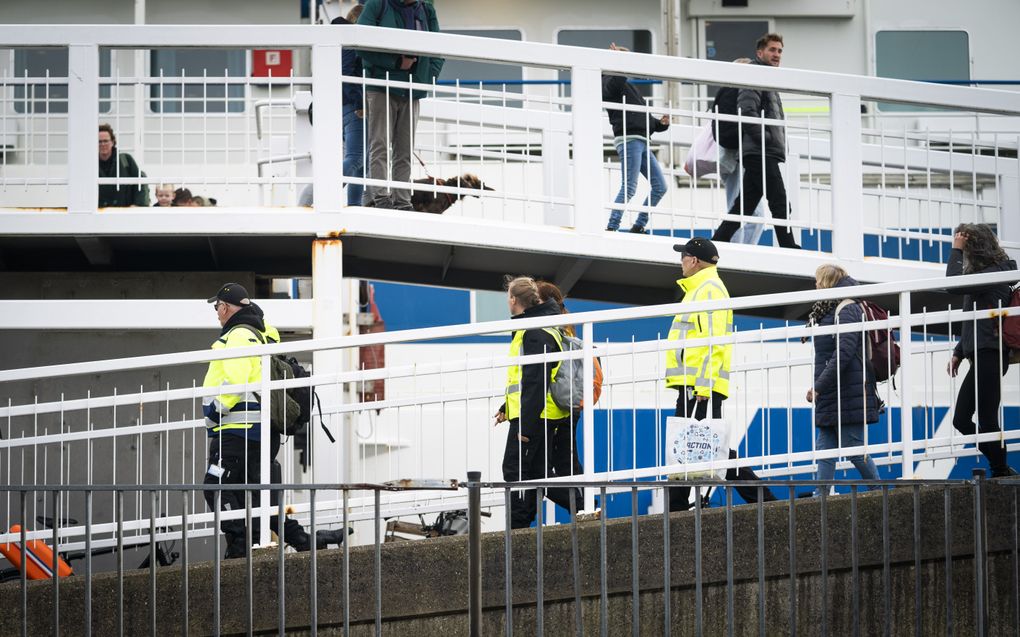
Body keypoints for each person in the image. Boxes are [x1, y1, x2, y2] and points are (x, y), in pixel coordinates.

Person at [202, 282, 347, 557]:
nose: (217, 314)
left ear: (225, 307)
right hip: (261, 429)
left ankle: (239, 546)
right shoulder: (262, 331)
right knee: (260, 497)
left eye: (217, 308)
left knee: (215, 487)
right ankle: (303, 540)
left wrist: (216, 409)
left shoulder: (238, 334)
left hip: (238, 428)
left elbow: (237, 377)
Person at [664, 237, 776, 510]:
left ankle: (677, 506)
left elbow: (714, 342)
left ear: (694, 260)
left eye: (683, 257)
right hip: (695, 384)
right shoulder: (701, 288)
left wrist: (703, 386)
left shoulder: (709, 289)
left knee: (693, 445)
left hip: (699, 386)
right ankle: (762, 499)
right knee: (701, 446)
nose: (680, 262)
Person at [494, 276, 582, 528]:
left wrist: (525, 429)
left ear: (513, 299)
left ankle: (518, 531)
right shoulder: (538, 326)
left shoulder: (536, 332)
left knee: (515, 471)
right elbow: (525, 380)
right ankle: (583, 505)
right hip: (538, 414)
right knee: (537, 474)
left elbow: (536, 382)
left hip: (534, 417)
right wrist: (506, 408)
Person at [710, 34, 800, 249]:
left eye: (779, 51)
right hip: (760, 152)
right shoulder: (755, 76)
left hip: (762, 151)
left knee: (744, 206)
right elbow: (747, 111)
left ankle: (717, 243)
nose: (776, 54)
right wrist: (766, 138)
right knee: (779, 200)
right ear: (760, 53)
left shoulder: (767, 78)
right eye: (772, 50)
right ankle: (788, 245)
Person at [357, 0, 444, 210]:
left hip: (412, 88)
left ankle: (402, 201)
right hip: (381, 86)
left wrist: (427, 75)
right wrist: (396, 63)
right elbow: (361, 45)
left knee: (404, 149)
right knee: (380, 144)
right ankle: (380, 198)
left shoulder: (425, 9)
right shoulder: (377, 5)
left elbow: (438, 48)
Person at [946, 224, 1018, 478]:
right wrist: (959, 351)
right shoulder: (983, 275)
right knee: (966, 419)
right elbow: (975, 320)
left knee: (984, 418)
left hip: (990, 352)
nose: (964, 254)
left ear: (974, 247)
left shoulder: (995, 273)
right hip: (981, 352)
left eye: (966, 248)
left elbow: (952, 285)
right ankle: (1000, 467)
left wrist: (955, 251)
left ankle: (1000, 469)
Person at [804, 264, 881, 492]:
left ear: (827, 282)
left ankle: (880, 491)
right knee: (825, 447)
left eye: (818, 280)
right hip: (833, 389)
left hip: (847, 388)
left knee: (853, 446)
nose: (816, 285)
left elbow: (844, 352)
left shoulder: (847, 309)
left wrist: (818, 387)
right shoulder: (830, 309)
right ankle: (822, 495)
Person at [603, 43, 669, 234]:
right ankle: (612, 227)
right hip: (629, 139)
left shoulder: (627, 86)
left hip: (641, 139)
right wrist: (617, 61)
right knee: (629, 187)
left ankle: (639, 225)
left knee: (660, 187)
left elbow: (644, 119)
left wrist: (661, 124)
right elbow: (615, 82)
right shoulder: (607, 82)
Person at [711, 58, 767, 245]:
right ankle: (736, 252)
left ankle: (746, 252)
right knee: (739, 211)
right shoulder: (730, 92)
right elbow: (727, 127)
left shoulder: (738, 93)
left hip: (743, 157)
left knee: (755, 213)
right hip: (734, 158)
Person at [333, 6, 366, 206]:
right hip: (355, 107)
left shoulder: (342, 43)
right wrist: (360, 102)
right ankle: (319, 194)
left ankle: (355, 206)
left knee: (361, 164)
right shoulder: (351, 44)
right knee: (356, 158)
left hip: (346, 106)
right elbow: (348, 75)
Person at [98, 123, 148, 207]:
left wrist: (137, 205)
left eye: (106, 141)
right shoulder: (90, 166)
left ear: (113, 142)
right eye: (99, 141)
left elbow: (140, 183)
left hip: (124, 214)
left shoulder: (126, 160)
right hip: (99, 215)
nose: (102, 144)